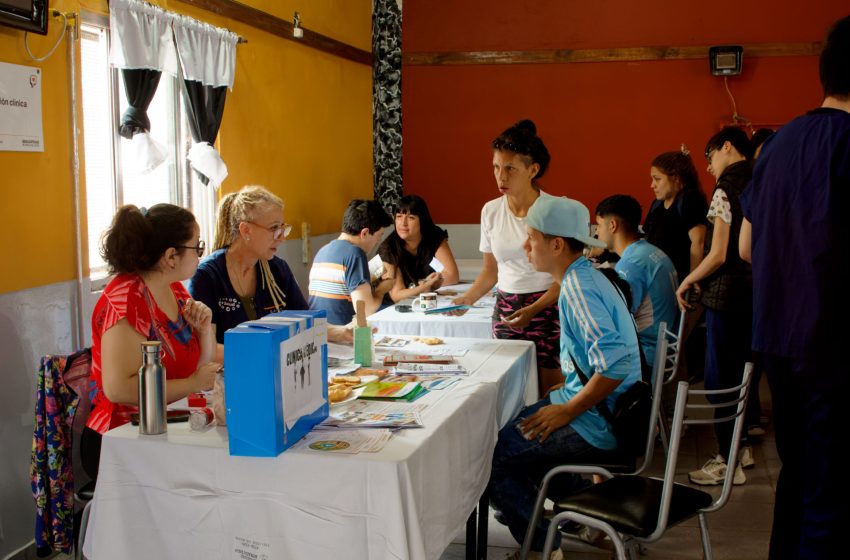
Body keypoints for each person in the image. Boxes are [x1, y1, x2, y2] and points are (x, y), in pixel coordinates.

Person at [739, 15, 850, 558]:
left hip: (779, 338)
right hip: (832, 342)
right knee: (832, 492)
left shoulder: (779, 145)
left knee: (798, 474)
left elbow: (744, 248)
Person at [488, 196, 641, 559]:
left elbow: (615, 365)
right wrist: (570, 386)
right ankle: (583, 514)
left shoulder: (578, 288)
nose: (525, 247)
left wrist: (568, 409)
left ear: (556, 244)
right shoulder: (583, 275)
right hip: (606, 407)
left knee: (491, 459)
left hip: (602, 419)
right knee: (522, 440)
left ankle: (543, 545)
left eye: (532, 238)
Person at [83, 204, 221, 478]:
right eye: (197, 246)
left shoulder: (175, 290)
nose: (200, 256)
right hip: (123, 435)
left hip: (172, 423)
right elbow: (118, 388)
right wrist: (193, 384)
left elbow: (199, 369)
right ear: (171, 256)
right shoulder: (126, 300)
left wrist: (204, 330)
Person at [452, 120, 562, 393]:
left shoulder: (553, 210)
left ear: (532, 170)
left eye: (510, 168)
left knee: (550, 390)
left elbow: (566, 276)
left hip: (548, 305)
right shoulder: (490, 211)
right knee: (507, 387)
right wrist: (467, 299)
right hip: (507, 307)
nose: (501, 176)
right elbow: (491, 271)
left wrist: (534, 310)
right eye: (496, 167)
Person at [676, 127, 754, 486]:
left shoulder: (725, 188)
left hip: (727, 295)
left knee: (720, 380)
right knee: (744, 375)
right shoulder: (761, 177)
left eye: (709, 157)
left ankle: (728, 460)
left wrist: (691, 278)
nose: (708, 167)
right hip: (757, 292)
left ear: (727, 147)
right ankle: (743, 448)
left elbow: (719, 253)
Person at [189, 186, 355, 347]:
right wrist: (264, 354)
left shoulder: (277, 270)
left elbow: (307, 322)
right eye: (274, 228)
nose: (282, 238)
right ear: (246, 230)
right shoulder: (207, 276)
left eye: (283, 228)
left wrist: (343, 332)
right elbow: (206, 349)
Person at [595, 194, 678, 367]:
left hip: (645, 352)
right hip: (663, 345)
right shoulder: (649, 251)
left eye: (599, 225)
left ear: (612, 225)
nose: (596, 232)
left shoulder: (631, 264)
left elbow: (617, 318)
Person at [308, 199, 393, 325]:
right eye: (379, 236)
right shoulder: (355, 255)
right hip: (341, 334)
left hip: (318, 332)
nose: (378, 242)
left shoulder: (322, 251)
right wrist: (381, 291)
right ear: (364, 233)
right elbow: (366, 310)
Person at [377, 194, 459, 303]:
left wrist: (423, 285)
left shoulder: (434, 235)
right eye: (399, 216)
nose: (403, 223)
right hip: (390, 306)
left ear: (422, 220)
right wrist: (425, 285)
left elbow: (452, 275)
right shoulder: (389, 249)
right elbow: (397, 295)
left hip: (422, 299)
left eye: (411, 218)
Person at [643, 145, 708, 282]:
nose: (652, 185)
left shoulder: (690, 200)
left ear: (676, 178)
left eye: (657, 179)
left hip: (679, 282)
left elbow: (698, 242)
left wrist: (692, 280)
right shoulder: (657, 204)